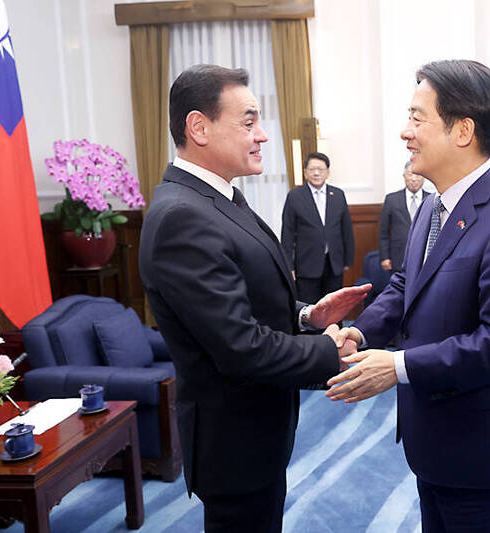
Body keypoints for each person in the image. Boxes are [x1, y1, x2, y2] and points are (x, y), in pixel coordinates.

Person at [139, 64, 369, 532]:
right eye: (248, 122)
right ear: (198, 127)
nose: (262, 135)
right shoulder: (183, 216)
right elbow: (238, 346)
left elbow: (239, 295)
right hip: (234, 444)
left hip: (256, 431)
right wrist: (328, 348)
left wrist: (305, 314)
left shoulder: (216, 198)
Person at [327, 60, 490, 533]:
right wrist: (361, 332)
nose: (405, 132)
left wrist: (398, 367)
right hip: (432, 443)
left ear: (463, 131)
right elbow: (408, 285)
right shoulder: (433, 205)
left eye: (417, 117)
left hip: (484, 455)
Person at [281, 152, 355, 304]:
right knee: (310, 310)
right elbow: (287, 234)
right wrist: (288, 266)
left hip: (334, 264)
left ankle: (334, 329)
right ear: (305, 172)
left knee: (334, 307)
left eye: (320, 169)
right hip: (306, 265)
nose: (316, 173)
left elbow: (346, 229)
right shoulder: (294, 196)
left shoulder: (338, 194)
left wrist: (348, 259)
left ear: (328, 172)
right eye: (312, 169)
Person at [379, 161, 430, 273]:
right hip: (398, 257)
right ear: (404, 176)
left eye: (417, 174)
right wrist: (385, 257)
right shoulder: (391, 199)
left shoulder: (431, 199)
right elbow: (384, 231)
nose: (414, 179)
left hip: (425, 257)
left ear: (424, 177)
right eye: (410, 174)